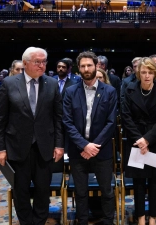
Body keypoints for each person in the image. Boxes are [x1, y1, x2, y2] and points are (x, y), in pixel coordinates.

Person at [0, 47, 64, 225]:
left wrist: (59, 145)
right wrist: (0, 148)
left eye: (44, 62)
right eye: (37, 62)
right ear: (25, 63)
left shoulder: (52, 83)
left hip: (44, 147)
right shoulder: (9, 84)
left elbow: (58, 118)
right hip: (16, 147)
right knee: (20, 190)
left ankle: (39, 221)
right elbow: (1, 119)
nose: (42, 65)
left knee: (42, 190)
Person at [63, 51, 117, 225]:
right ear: (78, 69)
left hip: (102, 151)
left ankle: (109, 221)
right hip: (78, 151)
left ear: (97, 66)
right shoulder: (70, 91)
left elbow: (111, 123)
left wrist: (94, 146)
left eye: (89, 65)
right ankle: (83, 221)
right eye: (83, 66)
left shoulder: (109, 91)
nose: (86, 69)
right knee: (80, 192)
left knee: (107, 191)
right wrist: (84, 146)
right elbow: (67, 122)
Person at [121, 57, 156, 225]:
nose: (147, 75)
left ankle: (152, 218)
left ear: (155, 73)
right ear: (138, 73)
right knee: (139, 182)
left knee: (155, 182)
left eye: (150, 72)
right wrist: (139, 139)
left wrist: (148, 139)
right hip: (136, 140)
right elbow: (126, 117)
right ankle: (141, 217)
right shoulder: (129, 89)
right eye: (144, 72)